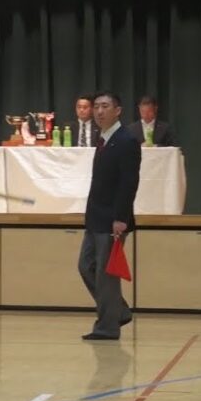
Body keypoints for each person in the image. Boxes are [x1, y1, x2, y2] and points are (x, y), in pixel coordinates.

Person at [78, 92, 141, 340]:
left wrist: (121, 217)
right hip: (95, 217)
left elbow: (129, 182)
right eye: (96, 107)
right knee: (86, 266)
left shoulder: (126, 140)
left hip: (112, 219)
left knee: (106, 275)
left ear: (118, 111)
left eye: (105, 106)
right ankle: (120, 311)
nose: (99, 111)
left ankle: (107, 327)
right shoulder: (103, 139)